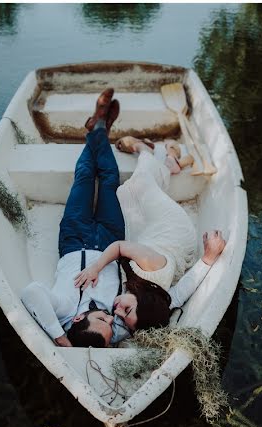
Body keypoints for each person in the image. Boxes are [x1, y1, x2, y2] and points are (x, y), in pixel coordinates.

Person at [20, 89, 226, 348]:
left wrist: (59, 338)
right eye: (112, 324)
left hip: (74, 240)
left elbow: (31, 293)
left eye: (102, 319)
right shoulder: (122, 324)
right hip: (111, 237)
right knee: (109, 178)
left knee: (84, 176)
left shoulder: (62, 312)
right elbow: (177, 296)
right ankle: (99, 129)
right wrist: (207, 260)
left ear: (78, 319)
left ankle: (97, 128)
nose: (111, 316)